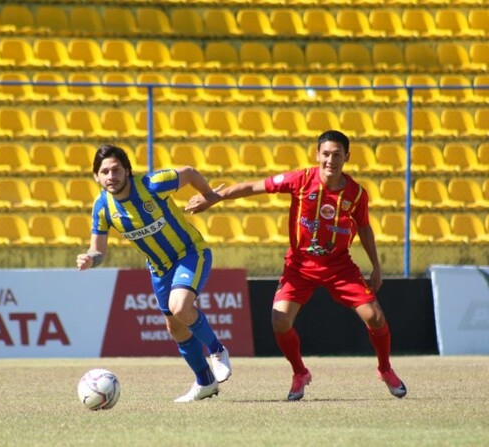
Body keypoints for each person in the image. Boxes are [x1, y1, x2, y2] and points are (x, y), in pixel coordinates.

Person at [185, 130, 407, 401]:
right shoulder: (301, 180)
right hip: (300, 265)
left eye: (337, 155)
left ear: (347, 157)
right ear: (317, 155)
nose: (330, 160)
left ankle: (385, 369)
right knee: (279, 320)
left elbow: (364, 228)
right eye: (325, 154)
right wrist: (215, 197)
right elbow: (254, 187)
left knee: (375, 316)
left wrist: (376, 266)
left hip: (339, 266)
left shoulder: (356, 194)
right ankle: (299, 372)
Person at [76, 143, 231, 403]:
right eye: (104, 172)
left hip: (189, 252)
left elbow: (190, 172)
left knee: (180, 306)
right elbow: (98, 251)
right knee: (177, 329)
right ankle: (205, 382)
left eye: (116, 170)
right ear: (96, 176)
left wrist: (208, 195)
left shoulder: (152, 184)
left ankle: (217, 350)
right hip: (159, 268)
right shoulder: (102, 207)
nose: (111, 177)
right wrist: (89, 259)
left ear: (127, 171)